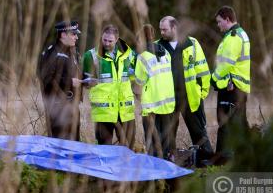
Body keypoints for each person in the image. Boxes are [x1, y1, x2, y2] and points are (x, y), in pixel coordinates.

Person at [156, 16, 214, 165]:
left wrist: (202, 93)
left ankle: (206, 160)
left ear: (174, 28)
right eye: (160, 29)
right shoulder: (157, 46)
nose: (161, 32)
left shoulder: (192, 43)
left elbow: (203, 70)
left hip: (190, 97)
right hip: (168, 98)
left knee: (199, 131)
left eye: (165, 29)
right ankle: (168, 162)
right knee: (167, 134)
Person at [82, 25, 137, 149]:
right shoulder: (90, 56)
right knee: (104, 150)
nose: (106, 43)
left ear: (117, 40)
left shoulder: (129, 55)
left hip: (125, 111)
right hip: (104, 112)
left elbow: (136, 77)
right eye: (104, 40)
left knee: (129, 148)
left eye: (110, 41)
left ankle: (124, 169)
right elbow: (83, 81)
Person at [211, 6, 251, 164]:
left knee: (226, 124)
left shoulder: (233, 37)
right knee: (239, 123)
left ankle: (221, 160)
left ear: (227, 19)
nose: (218, 25)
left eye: (219, 22)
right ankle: (244, 156)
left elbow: (226, 64)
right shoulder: (239, 34)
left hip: (232, 87)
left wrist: (213, 79)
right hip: (239, 86)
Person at [134, 24, 175, 159]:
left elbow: (139, 83)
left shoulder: (143, 57)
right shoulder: (166, 53)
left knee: (152, 137)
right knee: (165, 136)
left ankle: (154, 165)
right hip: (167, 100)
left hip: (151, 103)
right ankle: (168, 159)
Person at [38, 20, 82, 141]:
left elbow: (75, 73)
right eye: (73, 34)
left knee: (75, 145)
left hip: (73, 105)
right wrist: (69, 81)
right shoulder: (51, 52)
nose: (76, 37)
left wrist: (86, 80)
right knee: (60, 146)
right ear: (63, 35)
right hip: (57, 107)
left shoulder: (73, 52)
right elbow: (46, 79)